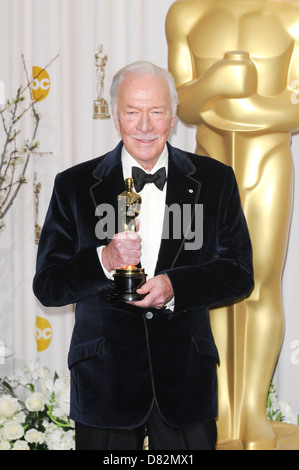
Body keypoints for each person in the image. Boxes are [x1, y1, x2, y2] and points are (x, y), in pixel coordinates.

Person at [33, 60, 253, 450]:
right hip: (104, 384)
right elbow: (49, 285)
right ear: (116, 118)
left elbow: (239, 272)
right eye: (133, 112)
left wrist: (175, 285)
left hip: (186, 383)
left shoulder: (215, 180)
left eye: (156, 111)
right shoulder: (74, 185)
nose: (145, 125)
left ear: (173, 115)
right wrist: (105, 260)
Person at [166, 0, 299, 449]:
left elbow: (296, 105)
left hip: (267, 163)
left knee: (261, 283)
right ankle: (222, 409)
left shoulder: (292, 13)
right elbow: (180, 104)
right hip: (206, 165)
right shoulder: (186, 13)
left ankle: (252, 411)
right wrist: (215, 84)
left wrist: (228, 109)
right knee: (211, 285)